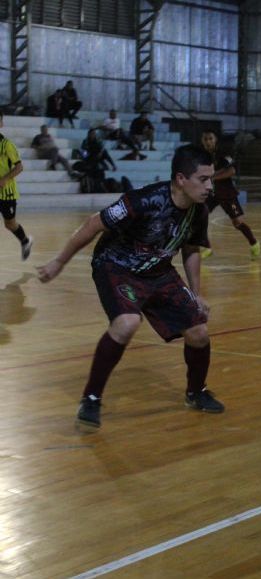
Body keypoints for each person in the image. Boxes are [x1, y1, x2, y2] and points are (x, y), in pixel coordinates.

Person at [36, 144, 225, 431]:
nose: (210, 186)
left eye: (211, 179)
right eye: (204, 179)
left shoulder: (198, 211)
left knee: (198, 331)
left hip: (158, 271)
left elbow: (191, 249)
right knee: (126, 323)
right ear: (181, 179)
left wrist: (196, 293)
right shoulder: (143, 201)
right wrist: (59, 262)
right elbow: (92, 224)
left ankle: (196, 392)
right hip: (116, 266)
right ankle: (91, 397)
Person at [199, 130, 260, 260]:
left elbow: (231, 171)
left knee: (237, 222)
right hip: (211, 194)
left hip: (227, 194)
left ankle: (254, 243)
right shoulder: (203, 156)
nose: (208, 142)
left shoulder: (223, 154)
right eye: (205, 139)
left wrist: (214, 177)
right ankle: (207, 248)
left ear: (215, 140)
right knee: (199, 217)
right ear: (202, 142)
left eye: (210, 138)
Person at [0, 112, 33, 261]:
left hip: (7, 193)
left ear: (1, 124)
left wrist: (5, 178)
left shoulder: (7, 145)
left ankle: (25, 241)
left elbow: (19, 167)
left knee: (9, 224)